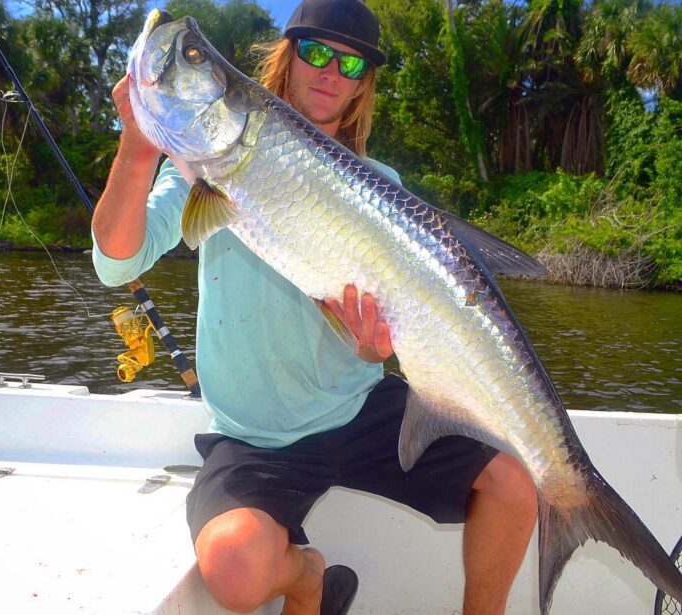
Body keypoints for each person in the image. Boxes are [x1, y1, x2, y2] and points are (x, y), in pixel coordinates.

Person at [91, 0, 538, 613]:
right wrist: (138, 149)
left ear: (362, 85)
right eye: (317, 52)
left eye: (350, 63)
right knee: (233, 571)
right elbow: (117, 262)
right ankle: (309, 578)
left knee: (515, 488)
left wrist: (377, 345)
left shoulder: (380, 183)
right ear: (288, 55)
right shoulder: (197, 168)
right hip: (254, 435)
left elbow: (382, 338)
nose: (331, 71)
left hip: (357, 409)